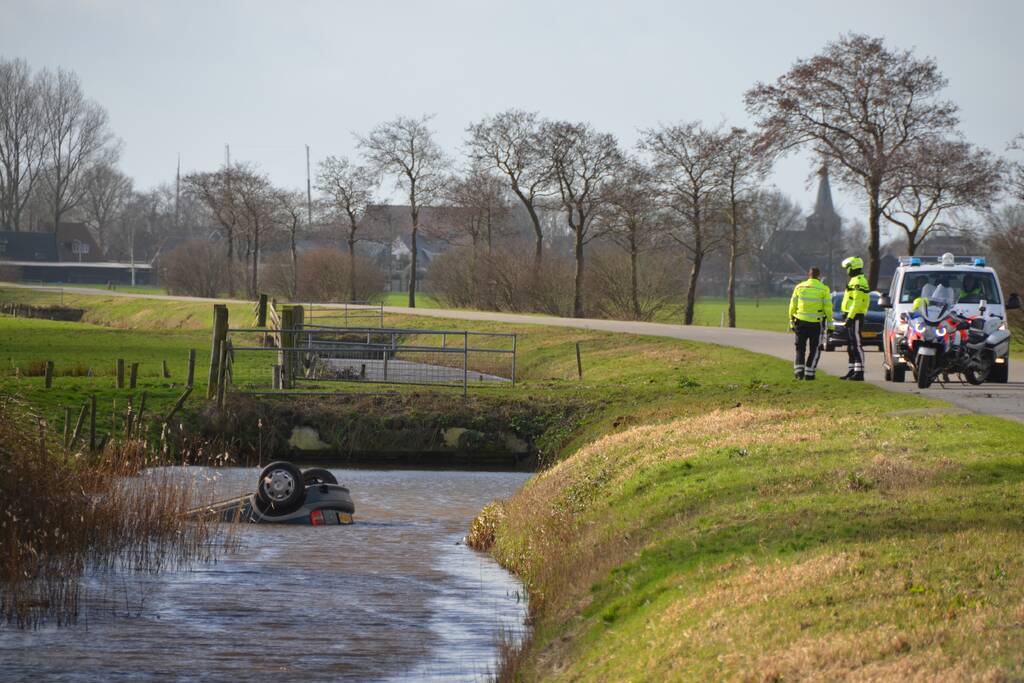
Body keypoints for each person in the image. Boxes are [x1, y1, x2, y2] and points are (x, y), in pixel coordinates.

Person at [788, 267, 833, 380]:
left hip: (800, 322)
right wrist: (830, 325)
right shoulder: (824, 289)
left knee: (800, 348)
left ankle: (799, 373)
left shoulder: (799, 287)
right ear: (819, 276)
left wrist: (791, 322)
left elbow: (792, 306)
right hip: (816, 324)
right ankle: (810, 373)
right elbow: (828, 309)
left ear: (809, 275)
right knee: (815, 349)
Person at [839, 256, 870, 381]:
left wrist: (850, 317)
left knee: (856, 344)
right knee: (850, 345)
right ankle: (852, 370)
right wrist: (845, 312)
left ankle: (860, 372)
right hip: (851, 315)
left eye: (848, 268)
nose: (847, 271)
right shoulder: (854, 280)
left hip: (855, 316)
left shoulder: (858, 281)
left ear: (853, 267)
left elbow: (857, 303)